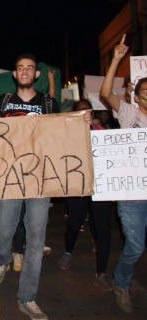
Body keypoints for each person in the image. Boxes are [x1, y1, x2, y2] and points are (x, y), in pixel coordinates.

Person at [0, 54, 59, 320]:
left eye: (30, 68)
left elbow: (61, 134)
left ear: (37, 74)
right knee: (4, 230)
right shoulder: (5, 100)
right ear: (15, 74)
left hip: (40, 179)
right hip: (9, 177)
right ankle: (1, 259)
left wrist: (80, 122)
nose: (25, 71)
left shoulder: (50, 103)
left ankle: (27, 298)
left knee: (36, 240)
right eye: (20, 68)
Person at [100, 34, 147, 314]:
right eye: (144, 90)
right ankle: (121, 282)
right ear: (137, 95)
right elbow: (106, 95)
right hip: (133, 195)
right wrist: (117, 59)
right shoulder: (129, 115)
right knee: (136, 245)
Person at [56, 99, 112, 291]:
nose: (84, 113)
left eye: (87, 110)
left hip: (100, 186)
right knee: (74, 224)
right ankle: (68, 251)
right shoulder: (68, 134)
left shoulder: (101, 132)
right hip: (78, 186)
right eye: (79, 111)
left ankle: (102, 273)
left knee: (103, 229)